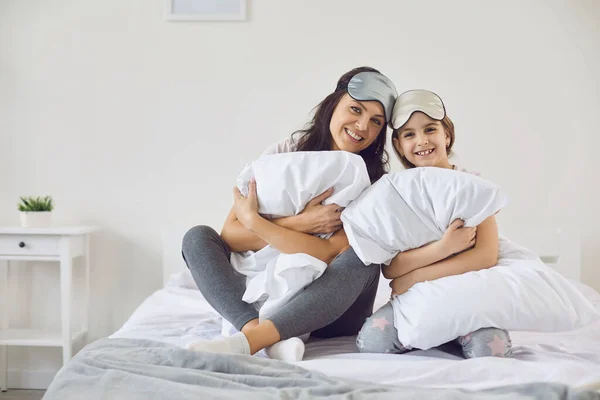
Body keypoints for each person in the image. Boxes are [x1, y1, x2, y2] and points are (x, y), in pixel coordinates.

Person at [182, 67, 398, 361]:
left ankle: (254, 338)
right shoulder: (284, 153)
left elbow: (329, 254)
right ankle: (258, 332)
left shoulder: (375, 184)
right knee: (198, 237)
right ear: (333, 104)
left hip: (330, 311)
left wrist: (256, 225)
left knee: (364, 258)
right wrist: (302, 223)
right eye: (355, 109)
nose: (362, 126)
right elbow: (231, 236)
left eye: (376, 121)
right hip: (266, 295)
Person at [356, 90, 513, 358]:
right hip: (416, 300)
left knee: (491, 349)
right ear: (399, 145)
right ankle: (431, 332)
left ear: (446, 135)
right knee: (372, 342)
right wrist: (444, 247)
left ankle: (450, 333)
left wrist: (415, 277)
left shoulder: (473, 188)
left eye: (430, 129)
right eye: (409, 134)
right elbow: (392, 268)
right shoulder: (398, 193)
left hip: (465, 297)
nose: (422, 141)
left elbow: (485, 256)